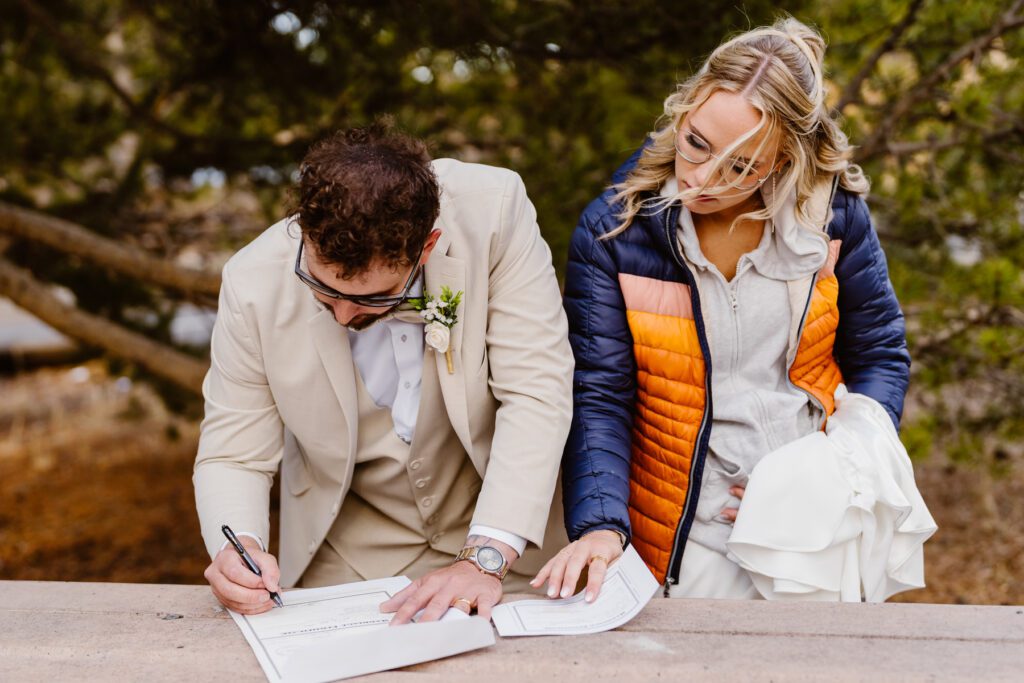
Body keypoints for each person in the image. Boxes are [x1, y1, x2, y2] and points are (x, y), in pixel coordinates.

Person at [534, 18, 916, 601]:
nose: (704, 179)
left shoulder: (834, 220)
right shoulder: (614, 232)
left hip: (818, 529)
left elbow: (879, 354)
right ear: (684, 110)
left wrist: (840, 468)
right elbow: (601, 393)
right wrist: (601, 524)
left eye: (740, 167)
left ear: (785, 161)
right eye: (697, 144)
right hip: (689, 537)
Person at [194, 122, 573, 623]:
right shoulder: (250, 285)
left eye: (372, 299)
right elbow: (233, 453)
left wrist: (487, 554)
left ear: (428, 245)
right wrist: (236, 546)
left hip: (508, 547)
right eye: (324, 291)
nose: (345, 318)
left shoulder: (496, 212)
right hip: (348, 559)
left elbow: (536, 393)